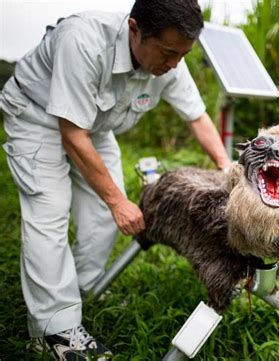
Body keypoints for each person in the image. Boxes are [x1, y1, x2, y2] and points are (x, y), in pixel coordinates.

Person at [0, 0, 231, 359]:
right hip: (37, 116)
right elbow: (71, 132)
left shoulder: (170, 59)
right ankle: (55, 331)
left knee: (104, 214)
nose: (174, 65)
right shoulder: (84, 40)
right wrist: (117, 202)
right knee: (49, 212)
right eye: (169, 53)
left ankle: (86, 287)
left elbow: (197, 117)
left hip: (92, 123)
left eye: (182, 55)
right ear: (135, 29)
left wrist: (226, 171)